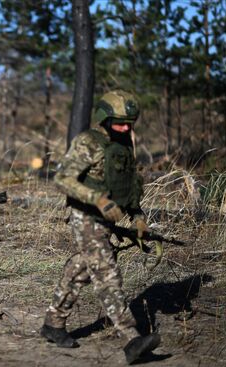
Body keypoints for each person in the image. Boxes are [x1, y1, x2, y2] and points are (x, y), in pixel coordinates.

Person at [40, 90, 160, 364]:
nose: (125, 128)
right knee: (106, 271)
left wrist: (138, 216)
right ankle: (131, 338)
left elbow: (127, 189)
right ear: (104, 118)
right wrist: (98, 200)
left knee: (81, 269)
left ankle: (53, 324)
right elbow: (62, 179)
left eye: (130, 123)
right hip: (85, 216)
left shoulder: (124, 146)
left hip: (107, 220)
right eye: (119, 122)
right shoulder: (88, 143)